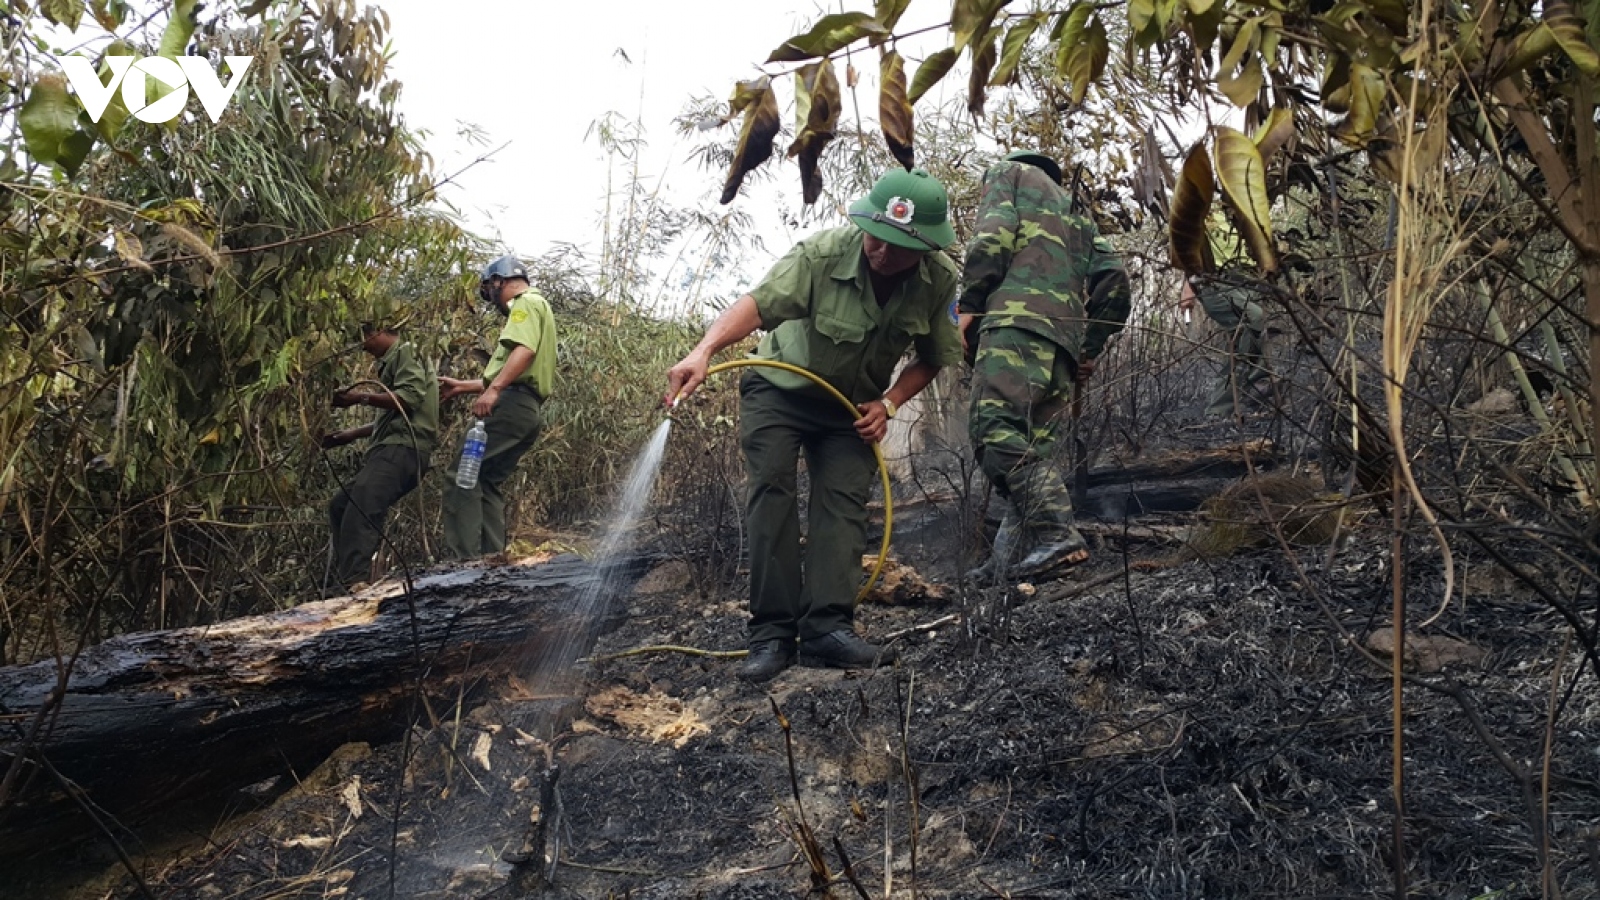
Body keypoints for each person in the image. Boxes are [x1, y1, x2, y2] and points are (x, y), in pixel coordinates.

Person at [664, 168, 964, 683]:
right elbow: (757, 305)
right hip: (777, 390)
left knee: (843, 504)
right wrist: (704, 350)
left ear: (927, 249)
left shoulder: (938, 284)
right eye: (877, 236)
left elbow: (934, 356)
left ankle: (827, 629)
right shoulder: (822, 254)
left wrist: (889, 404)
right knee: (772, 495)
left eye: (899, 246)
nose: (882, 252)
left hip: (850, 408)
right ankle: (772, 634)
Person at [958, 150, 1131, 583]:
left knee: (993, 429)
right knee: (1030, 450)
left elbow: (991, 238)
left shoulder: (1008, 173)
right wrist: (1087, 347)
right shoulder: (1078, 217)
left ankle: (1058, 533)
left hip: (1014, 326)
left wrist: (971, 304)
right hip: (1062, 347)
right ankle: (1008, 561)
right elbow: (1115, 280)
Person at [438, 255, 557, 558]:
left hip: (510, 404)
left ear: (498, 281)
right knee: (486, 480)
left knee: (460, 475)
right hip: (526, 411)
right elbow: (517, 370)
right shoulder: (540, 307)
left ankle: (462, 561)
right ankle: (494, 560)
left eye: (490, 289)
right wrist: (465, 387)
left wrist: (493, 391)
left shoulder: (525, 303)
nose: (491, 298)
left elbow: (524, 352)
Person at [321, 318, 440, 588]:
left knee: (362, 505)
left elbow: (408, 399)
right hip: (391, 447)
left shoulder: (406, 351)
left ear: (379, 331)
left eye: (363, 336)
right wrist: (346, 436)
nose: (362, 346)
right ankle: (349, 580)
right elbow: (394, 414)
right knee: (340, 505)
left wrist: (358, 397)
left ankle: (358, 584)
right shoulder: (393, 361)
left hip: (403, 449)